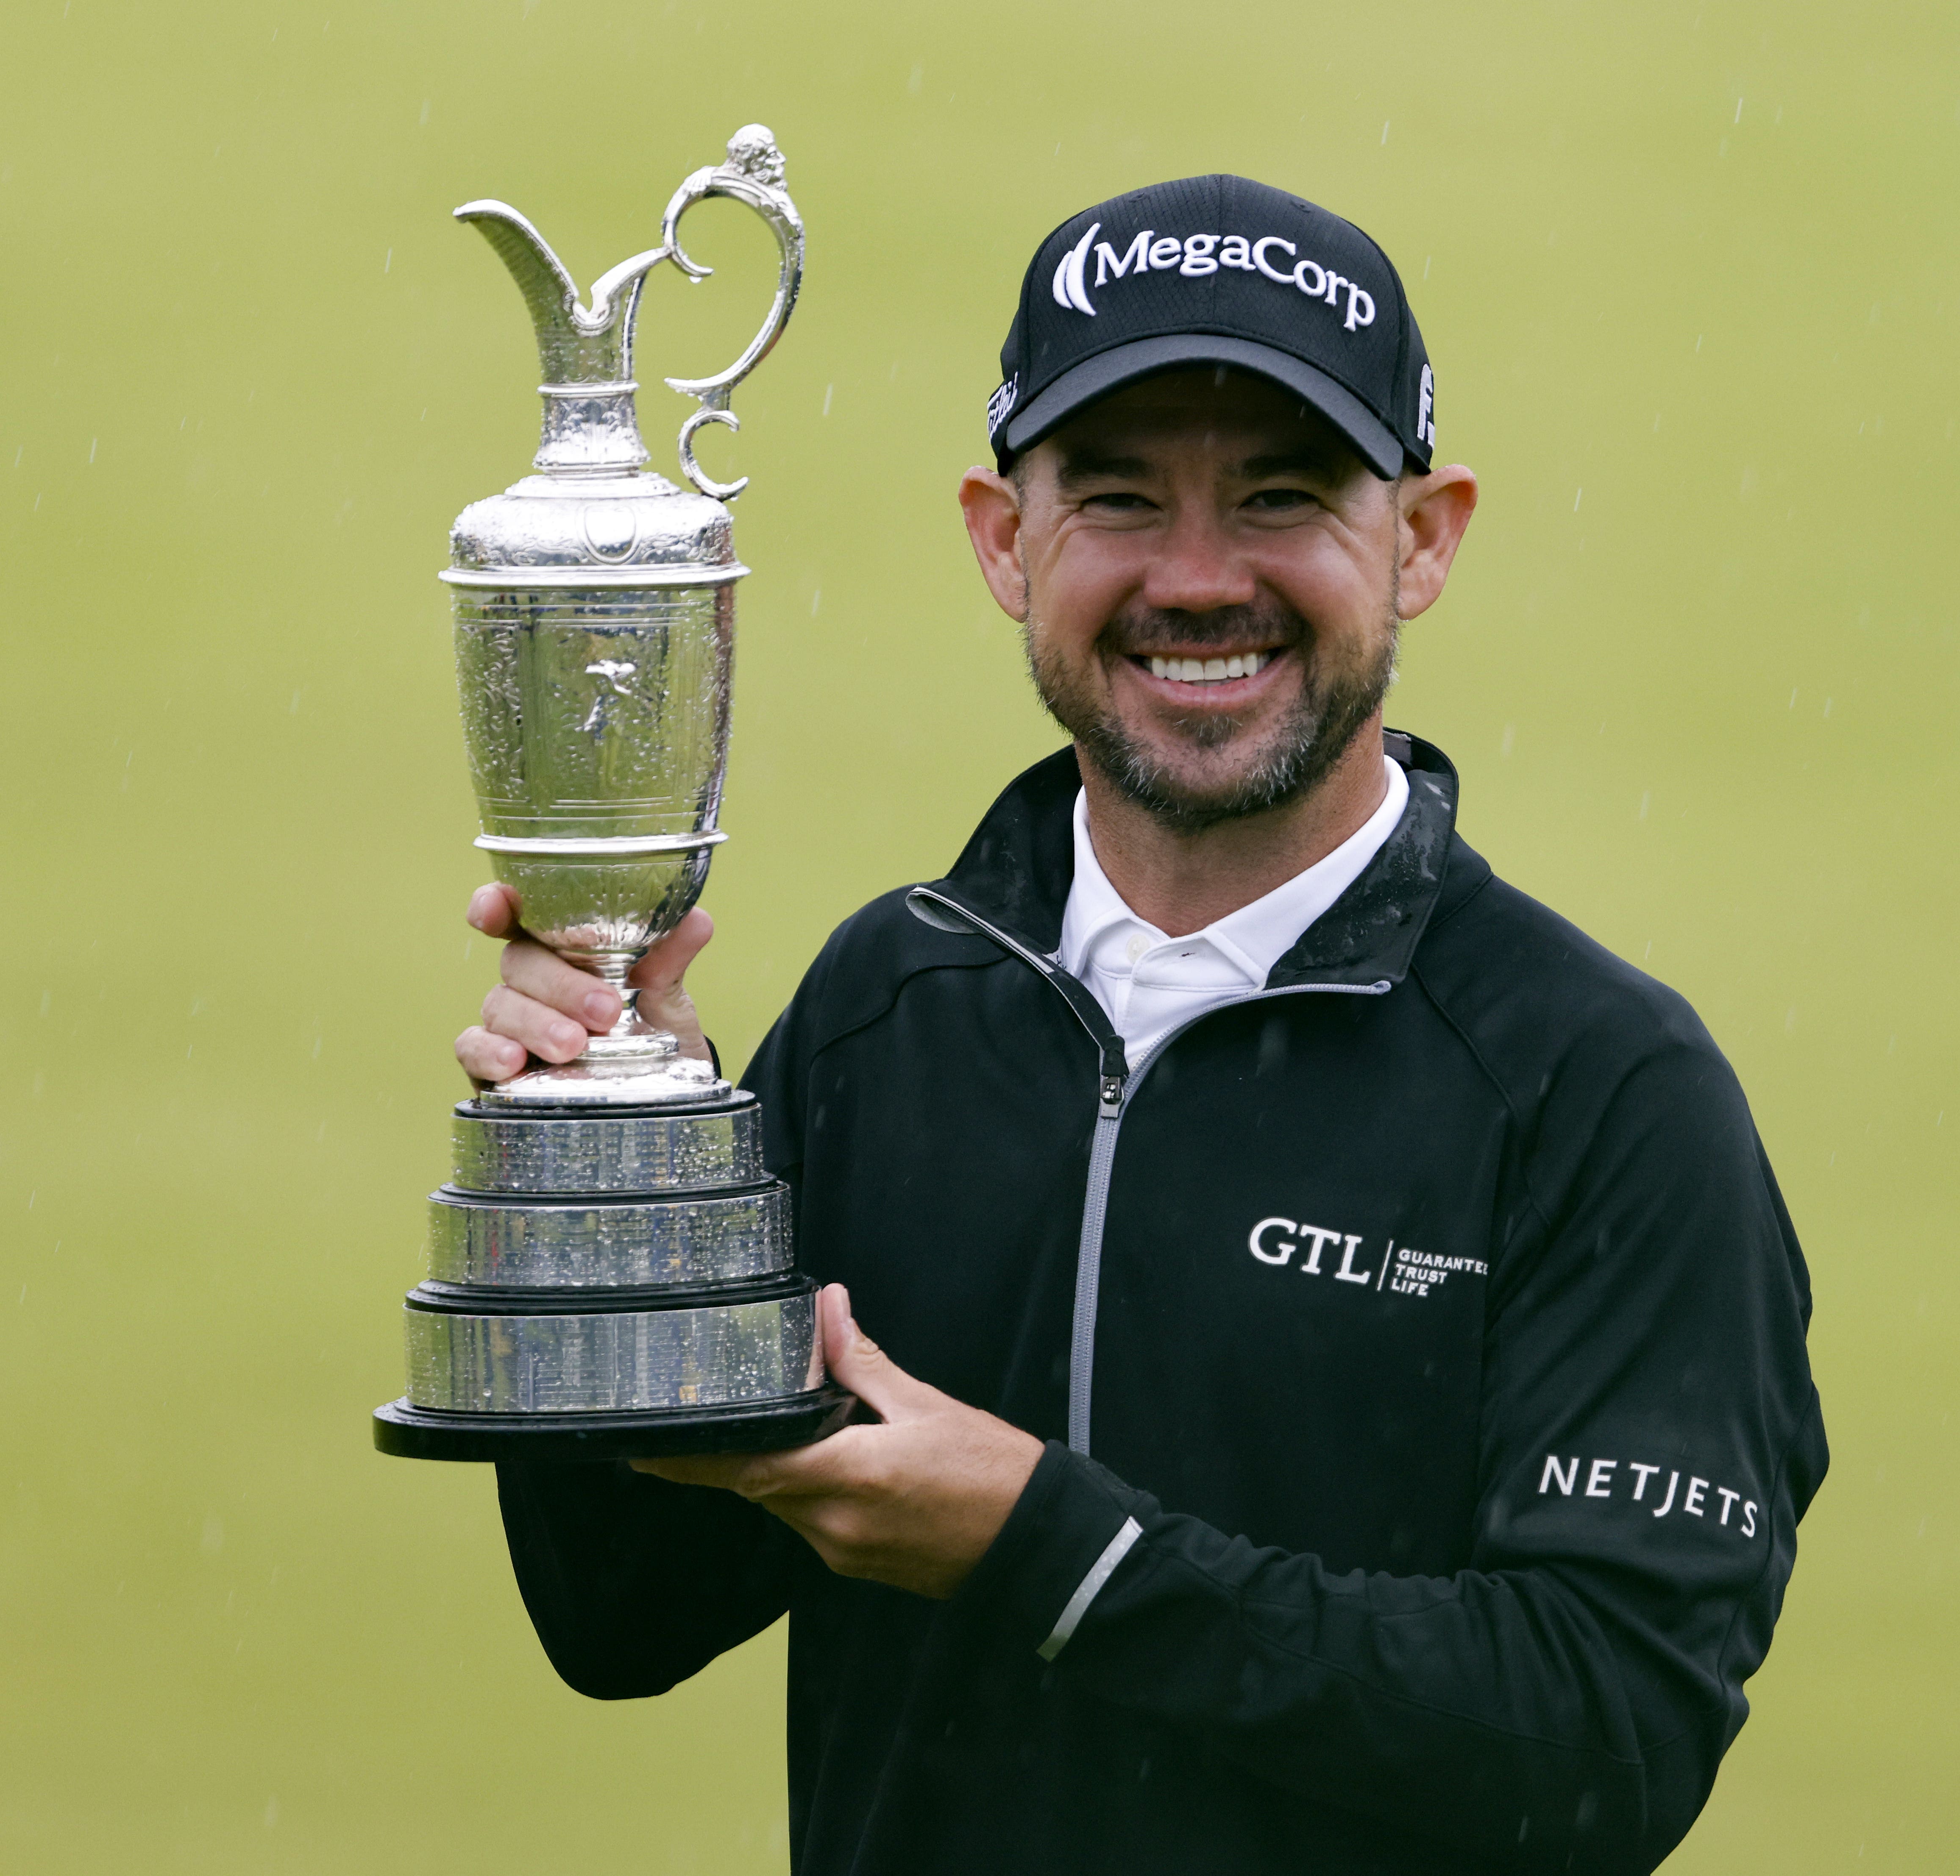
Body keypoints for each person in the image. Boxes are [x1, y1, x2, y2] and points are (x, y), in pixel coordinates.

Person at [456, 173, 1828, 1873]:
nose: (1195, 579)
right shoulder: (894, 1009)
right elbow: (625, 1616)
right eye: (1115, 498)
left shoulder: (1598, 1089)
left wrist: (1049, 1549)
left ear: (1422, 537)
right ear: (1000, 537)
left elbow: (1601, 1747)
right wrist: (601, 1176)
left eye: (1279, 497)